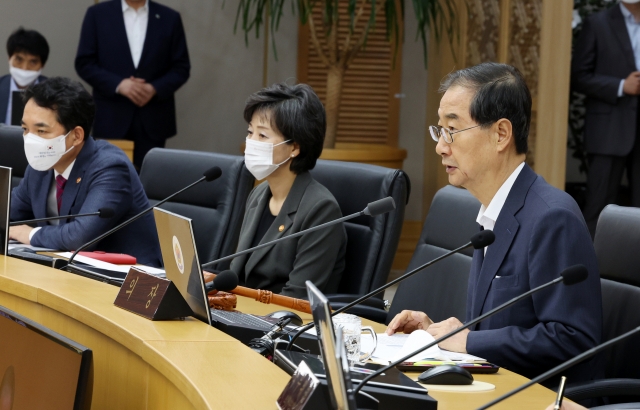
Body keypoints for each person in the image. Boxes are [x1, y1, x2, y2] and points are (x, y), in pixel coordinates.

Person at [385, 63, 603, 385]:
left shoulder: (551, 218)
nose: (440, 146)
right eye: (439, 130)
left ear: (500, 134)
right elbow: (495, 330)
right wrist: (437, 333)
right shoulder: (494, 211)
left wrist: (468, 341)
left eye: (452, 130)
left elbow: (571, 339)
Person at [9, 77, 162, 267]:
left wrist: (27, 233)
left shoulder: (110, 167)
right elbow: (7, 212)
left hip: (128, 282)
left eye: (41, 131)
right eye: (25, 129)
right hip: (67, 272)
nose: (30, 140)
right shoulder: (40, 165)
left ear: (76, 136)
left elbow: (79, 238)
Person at [228, 83, 347, 299]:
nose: (251, 143)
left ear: (294, 147)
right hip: (240, 313)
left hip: (285, 325)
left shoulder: (320, 209)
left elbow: (297, 298)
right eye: (250, 132)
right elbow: (238, 274)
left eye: (262, 136)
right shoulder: (258, 194)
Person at [75, 0, 190, 170]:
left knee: (149, 183)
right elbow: (85, 62)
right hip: (110, 117)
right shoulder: (97, 14)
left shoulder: (169, 17)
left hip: (153, 118)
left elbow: (181, 67)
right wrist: (119, 85)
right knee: (107, 178)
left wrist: (154, 88)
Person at [572, 0, 640, 237]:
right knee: (599, 210)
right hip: (609, 129)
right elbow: (579, 76)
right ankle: (591, 268)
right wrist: (622, 85)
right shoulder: (597, 24)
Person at [0, 28, 48, 125]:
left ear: (42, 65)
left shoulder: (55, 94)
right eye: (19, 59)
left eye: (33, 62)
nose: (24, 68)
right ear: (9, 58)